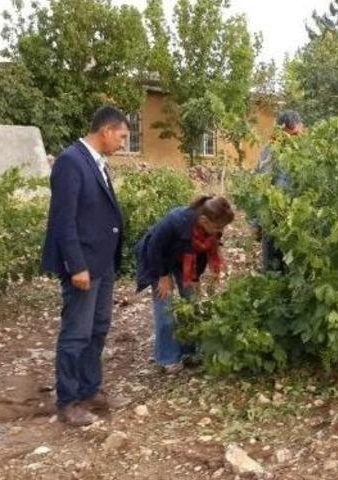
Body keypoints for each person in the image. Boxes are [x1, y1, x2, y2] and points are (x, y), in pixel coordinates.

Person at [41, 106, 130, 426]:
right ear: (105, 131)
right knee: (76, 333)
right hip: (83, 265)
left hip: (102, 264)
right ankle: (68, 401)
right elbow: (63, 221)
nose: (122, 143)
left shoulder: (96, 162)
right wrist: (76, 265)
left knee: (98, 329)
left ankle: (90, 389)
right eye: (121, 136)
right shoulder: (70, 162)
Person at [135, 196, 235, 373]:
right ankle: (167, 357)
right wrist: (163, 276)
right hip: (158, 259)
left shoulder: (210, 229)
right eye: (218, 227)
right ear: (204, 220)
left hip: (185, 261)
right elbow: (154, 248)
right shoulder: (175, 220)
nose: (220, 231)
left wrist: (195, 278)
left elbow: (203, 254)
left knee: (192, 302)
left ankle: (190, 351)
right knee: (164, 305)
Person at [253, 110, 305, 272]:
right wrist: (256, 223)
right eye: (288, 136)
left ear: (302, 129)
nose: (292, 140)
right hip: (273, 221)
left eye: (296, 134)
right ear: (279, 134)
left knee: (297, 269)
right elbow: (259, 187)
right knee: (272, 269)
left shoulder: (309, 152)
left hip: (300, 222)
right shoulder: (269, 152)